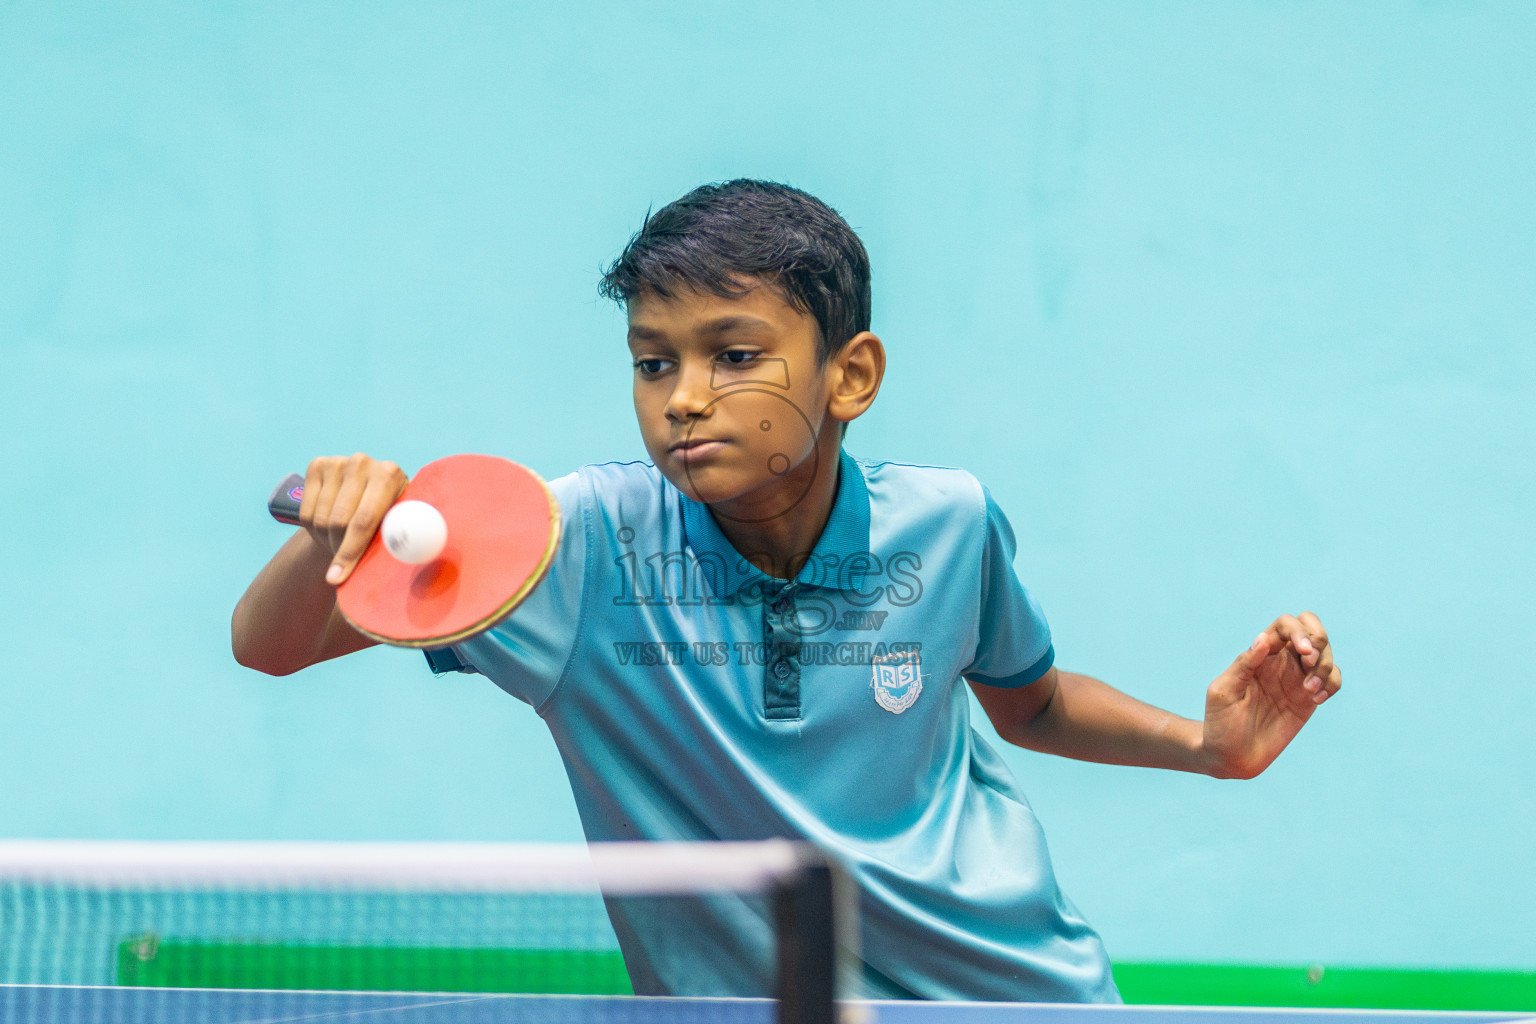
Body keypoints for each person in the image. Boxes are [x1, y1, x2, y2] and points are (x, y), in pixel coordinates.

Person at [232, 179, 1342, 1003]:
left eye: (735, 355)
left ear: (849, 374)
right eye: (653, 361)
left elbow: (1033, 703)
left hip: (1008, 995)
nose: (684, 398)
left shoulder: (948, 523)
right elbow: (271, 644)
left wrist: (1209, 747)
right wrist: (333, 535)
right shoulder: (582, 544)